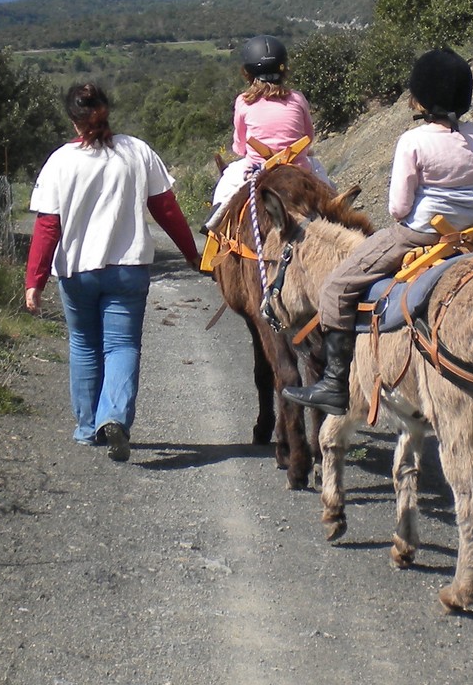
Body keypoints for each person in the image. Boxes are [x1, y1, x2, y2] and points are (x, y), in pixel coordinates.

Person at [283, 47, 473, 416]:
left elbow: (397, 208)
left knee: (337, 285)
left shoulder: (413, 140)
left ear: (423, 97)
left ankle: (334, 382)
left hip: (421, 235)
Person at [25, 83, 203, 461]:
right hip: (128, 269)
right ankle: (115, 417)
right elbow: (166, 209)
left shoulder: (60, 162)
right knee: (121, 346)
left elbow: (47, 227)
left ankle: (89, 426)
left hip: (77, 272)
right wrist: (191, 253)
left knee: (84, 345)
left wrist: (34, 282)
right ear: (107, 111)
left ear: (73, 120)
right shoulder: (136, 151)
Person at [207, 35, 329, 228]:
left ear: (247, 72)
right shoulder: (297, 98)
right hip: (299, 168)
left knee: (225, 187)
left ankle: (213, 225)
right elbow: (308, 137)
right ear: (284, 68)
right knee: (330, 191)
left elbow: (240, 146)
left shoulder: (244, 101)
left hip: (256, 171)